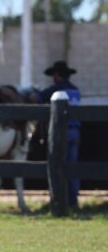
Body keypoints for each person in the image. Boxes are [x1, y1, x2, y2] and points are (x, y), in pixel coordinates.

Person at [32, 60, 81, 207]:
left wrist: (34, 92)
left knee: (56, 164)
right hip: (76, 131)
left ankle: (58, 200)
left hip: (61, 133)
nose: (53, 77)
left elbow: (35, 98)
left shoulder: (55, 90)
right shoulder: (76, 91)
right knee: (73, 166)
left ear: (58, 75)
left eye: (54, 74)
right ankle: (73, 200)